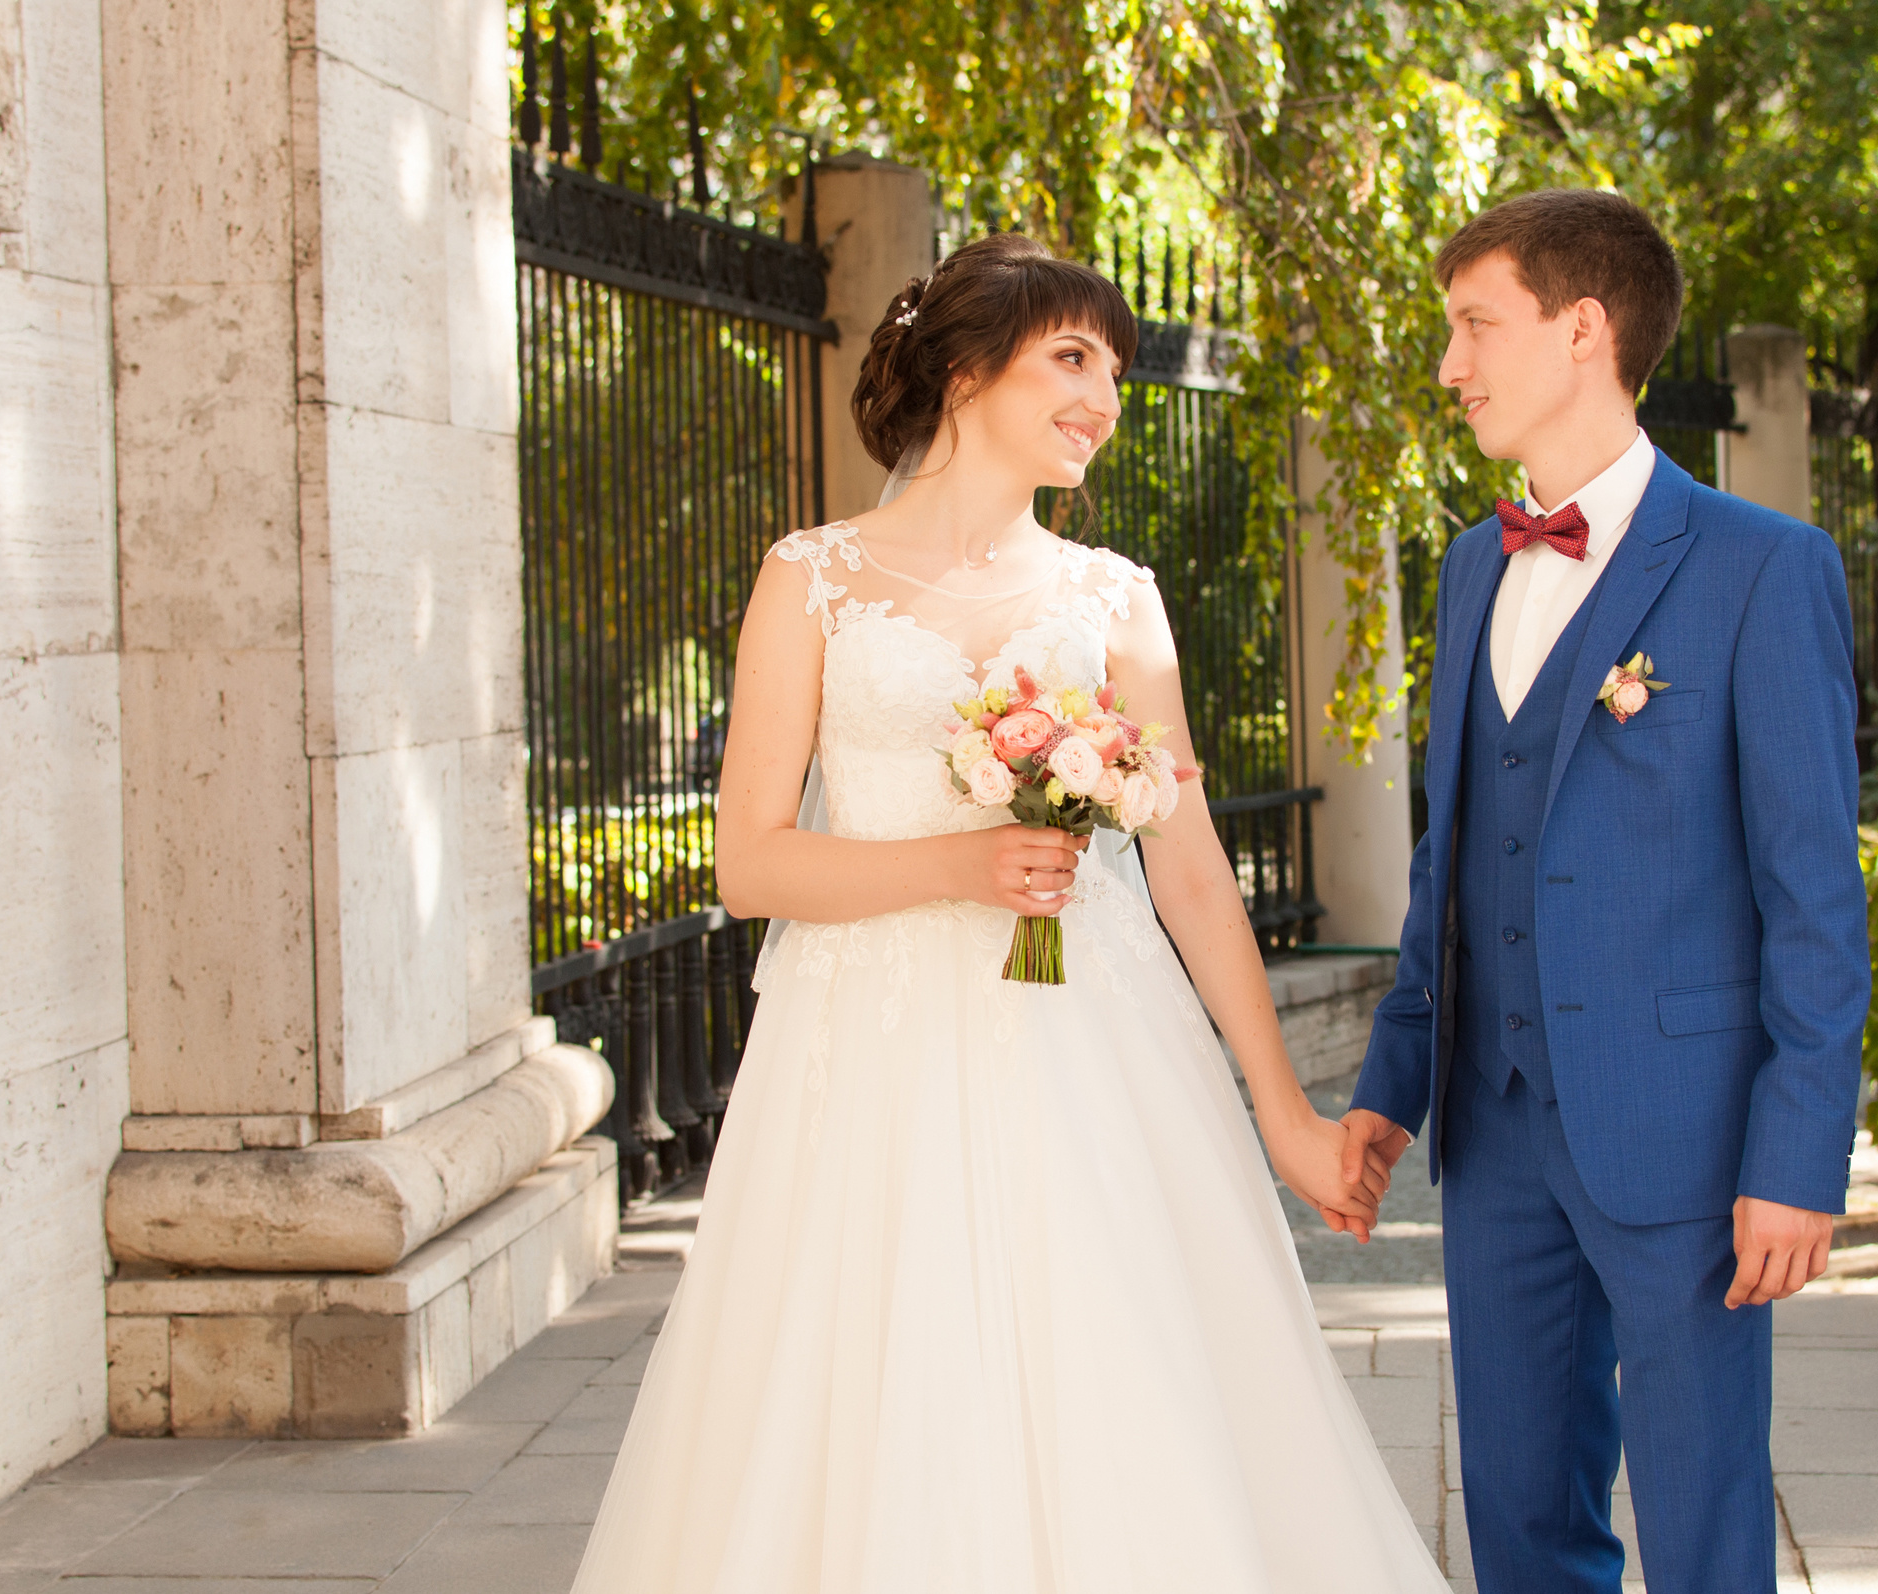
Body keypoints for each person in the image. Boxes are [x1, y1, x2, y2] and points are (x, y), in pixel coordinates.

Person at [567, 232, 1450, 1593]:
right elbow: (751, 862)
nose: (1104, 397)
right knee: (870, 1395)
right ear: (968, 368)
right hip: (864, 1060)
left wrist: (1283, 1110)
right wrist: (959, 869)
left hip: (1087, 1051)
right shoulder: (812, 578)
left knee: (1117, 1374)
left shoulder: (1115, 601)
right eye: (1073, 358)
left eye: (1117, 370)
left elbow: (1192, 868)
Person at [1335, 191, 1869, 1593]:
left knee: (1701, 1521)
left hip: (1684, 1139)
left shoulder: (1766, 570)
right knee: (1518, 1513)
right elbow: (1451, 854)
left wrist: (1798, 1156)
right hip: (1494, 1131)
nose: (1451, 364)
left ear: (1585, 329)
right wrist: (1394, 1083)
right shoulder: (1468, 566)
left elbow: (1813, 893)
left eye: (1474, 326)